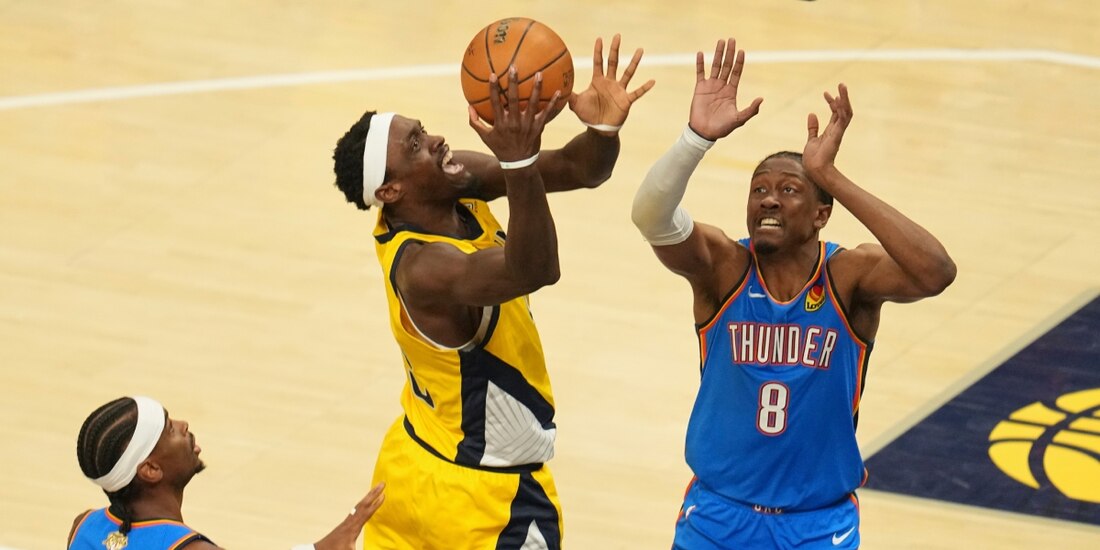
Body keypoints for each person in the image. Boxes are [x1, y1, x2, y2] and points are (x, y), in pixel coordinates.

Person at [329, 35, 653, 550]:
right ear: (390, 192)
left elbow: (578, 168)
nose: (434, 140)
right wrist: (519, 165)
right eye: (414, 145)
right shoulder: (422, 269)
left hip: (416, 463)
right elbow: (536, 268)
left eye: (422, 130)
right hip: (487, 495)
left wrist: (602, 128)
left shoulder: (454, 181)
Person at [630, 38, 956, 549]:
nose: (769, 200)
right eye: (759, 189)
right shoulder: (725, 268)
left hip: (816, 524)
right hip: (719, 516)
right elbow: (650, 218)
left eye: (789, 190)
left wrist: (831, 177)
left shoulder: (849, 277)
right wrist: (696, 139)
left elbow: (936, 271)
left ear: (822, 213)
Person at [69, 396, 386, 550]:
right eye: (168, 429)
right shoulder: (189, 549)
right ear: (150, 469)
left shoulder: (83, 527)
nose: (183, 426)